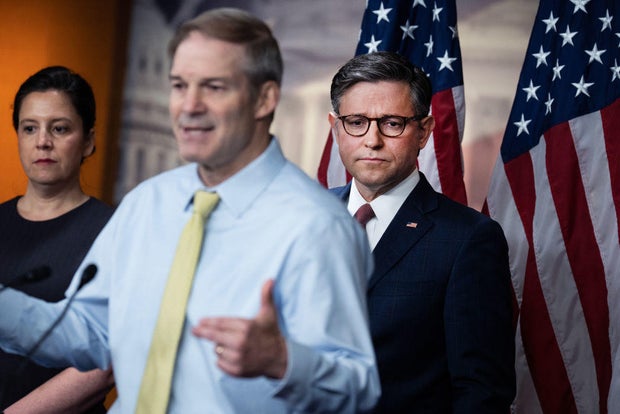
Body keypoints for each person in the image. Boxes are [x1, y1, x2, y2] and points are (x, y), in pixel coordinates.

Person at [0, 8, 380, 413]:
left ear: (264, 98)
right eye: (180, 85)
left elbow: (357, 388)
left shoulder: (319, 226)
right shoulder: (146, 204)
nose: (189, 106)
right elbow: (91, 332)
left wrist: (283, 362)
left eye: (213, 87)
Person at [328, 51, 516, 413]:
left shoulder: (469, 239)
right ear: (336, 128)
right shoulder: (305, 219)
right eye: (356, 122)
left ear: (424, 132)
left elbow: (482, 394)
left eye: (393, 123)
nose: (372, 140)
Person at [0, 66, 115, 412]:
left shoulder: (114, 231)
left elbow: (105, 360)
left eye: (60, 128)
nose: (42, 141)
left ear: (89, 141)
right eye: (29, 128)